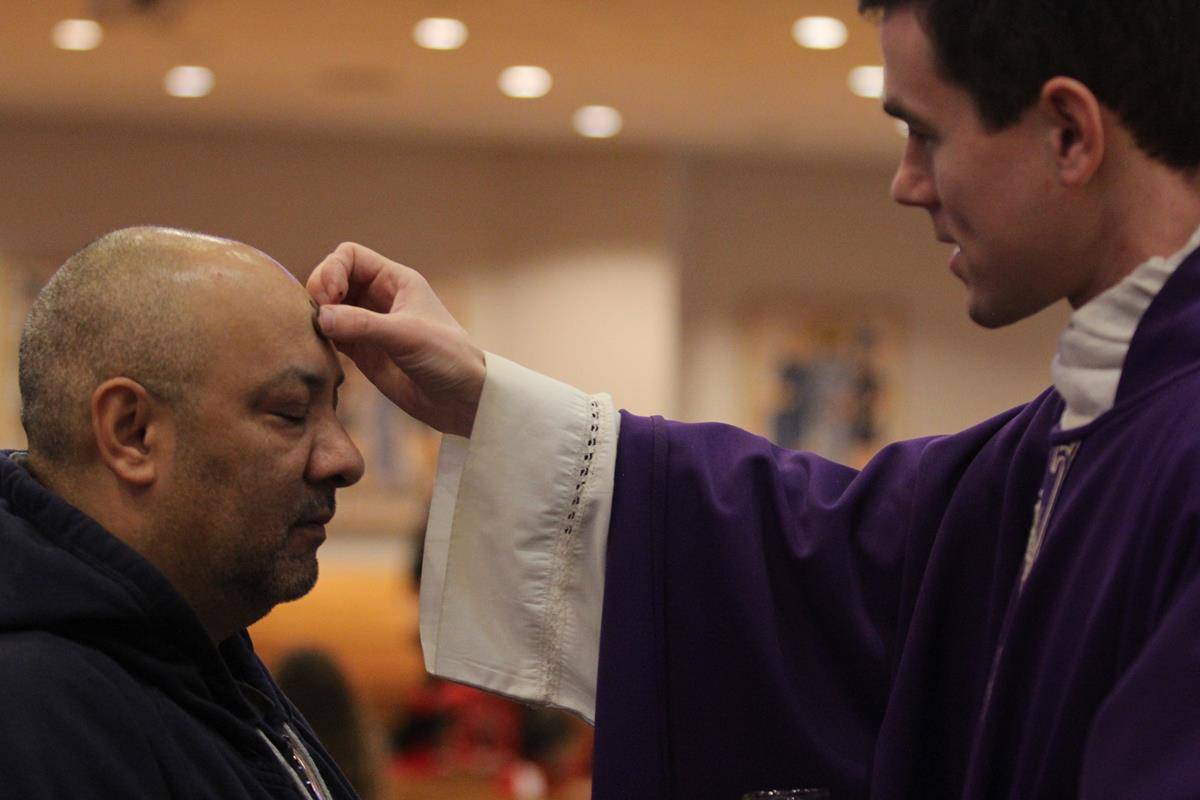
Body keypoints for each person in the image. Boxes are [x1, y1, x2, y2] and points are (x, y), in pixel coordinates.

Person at [307, 1, 1200, 797]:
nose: (906, 182)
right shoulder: (1085, 423)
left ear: (1070, 135)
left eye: (926, 134)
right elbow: (825, 550)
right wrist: (483, 402)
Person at [0, 227, 367, 799]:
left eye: (334, 410)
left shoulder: (202, 657)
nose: (345, 458)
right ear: (132, 433)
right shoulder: (31, 718)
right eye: (292, 413)